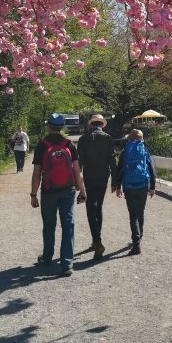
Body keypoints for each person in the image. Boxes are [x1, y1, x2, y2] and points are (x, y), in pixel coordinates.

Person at [30, 113, 87, 276]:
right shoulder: (69, 144)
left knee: (49, 225)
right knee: (68, 225)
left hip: (48, 192)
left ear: (48, 126)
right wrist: (82, 192)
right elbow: (77, 172)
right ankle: (67, 264)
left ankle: (47, 257)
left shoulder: (42, 145)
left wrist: (33, 194)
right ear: (62, 127)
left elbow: (36, 173)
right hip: (68, 191)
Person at [76, 114, 117, 260]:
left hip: (89, 177)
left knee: (90, 208)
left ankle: (97, 241)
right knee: (98, 207)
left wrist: (77, 181)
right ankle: (95, 240)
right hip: (103, 177)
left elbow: (79, 163)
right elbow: (113, 160)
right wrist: (115, 181)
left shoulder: (83, 139)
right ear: (102, 125)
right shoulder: (108, 138)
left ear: (91, 125)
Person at [113, 129, 156, 256]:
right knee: (140, 212)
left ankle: (136, 243)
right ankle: (140, 236)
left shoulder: (125, 151)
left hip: (129, 186)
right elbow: (151, 169)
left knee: (133, 215)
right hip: (143, 185)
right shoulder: (145, 150)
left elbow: (120, 169)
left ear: (129, 139)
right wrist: (152, 187)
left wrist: (118, 186)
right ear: (141, 139)